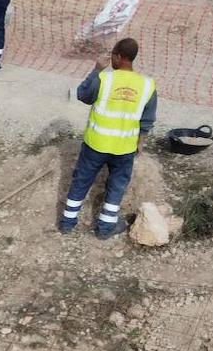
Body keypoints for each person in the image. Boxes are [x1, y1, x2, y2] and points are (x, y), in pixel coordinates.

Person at [58, 38, 157, 240]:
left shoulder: (105, 79)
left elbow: (83, 94)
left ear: (119, 56)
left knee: (81, 181)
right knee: (117, 186)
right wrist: (140, 143)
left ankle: (67, 223)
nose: (110, 57)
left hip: (96, 144)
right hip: (124, 148)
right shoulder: (147, 85)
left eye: (112, 54)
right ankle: (105, 228)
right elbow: (147, 118)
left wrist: (96, 69)